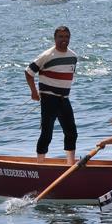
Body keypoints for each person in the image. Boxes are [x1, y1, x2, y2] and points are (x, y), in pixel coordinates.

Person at [25, 26, 78, 165]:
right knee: (47, 134)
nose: (64, 40)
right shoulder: (47, 55)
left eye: (66, 37)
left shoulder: (73, 56)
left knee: (72, 132)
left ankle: (70, 165)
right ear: (55, 38)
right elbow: (29, 72)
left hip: (64, 99)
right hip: (49, 99)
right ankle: (40, 165)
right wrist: (34, 92)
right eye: (61, 37)